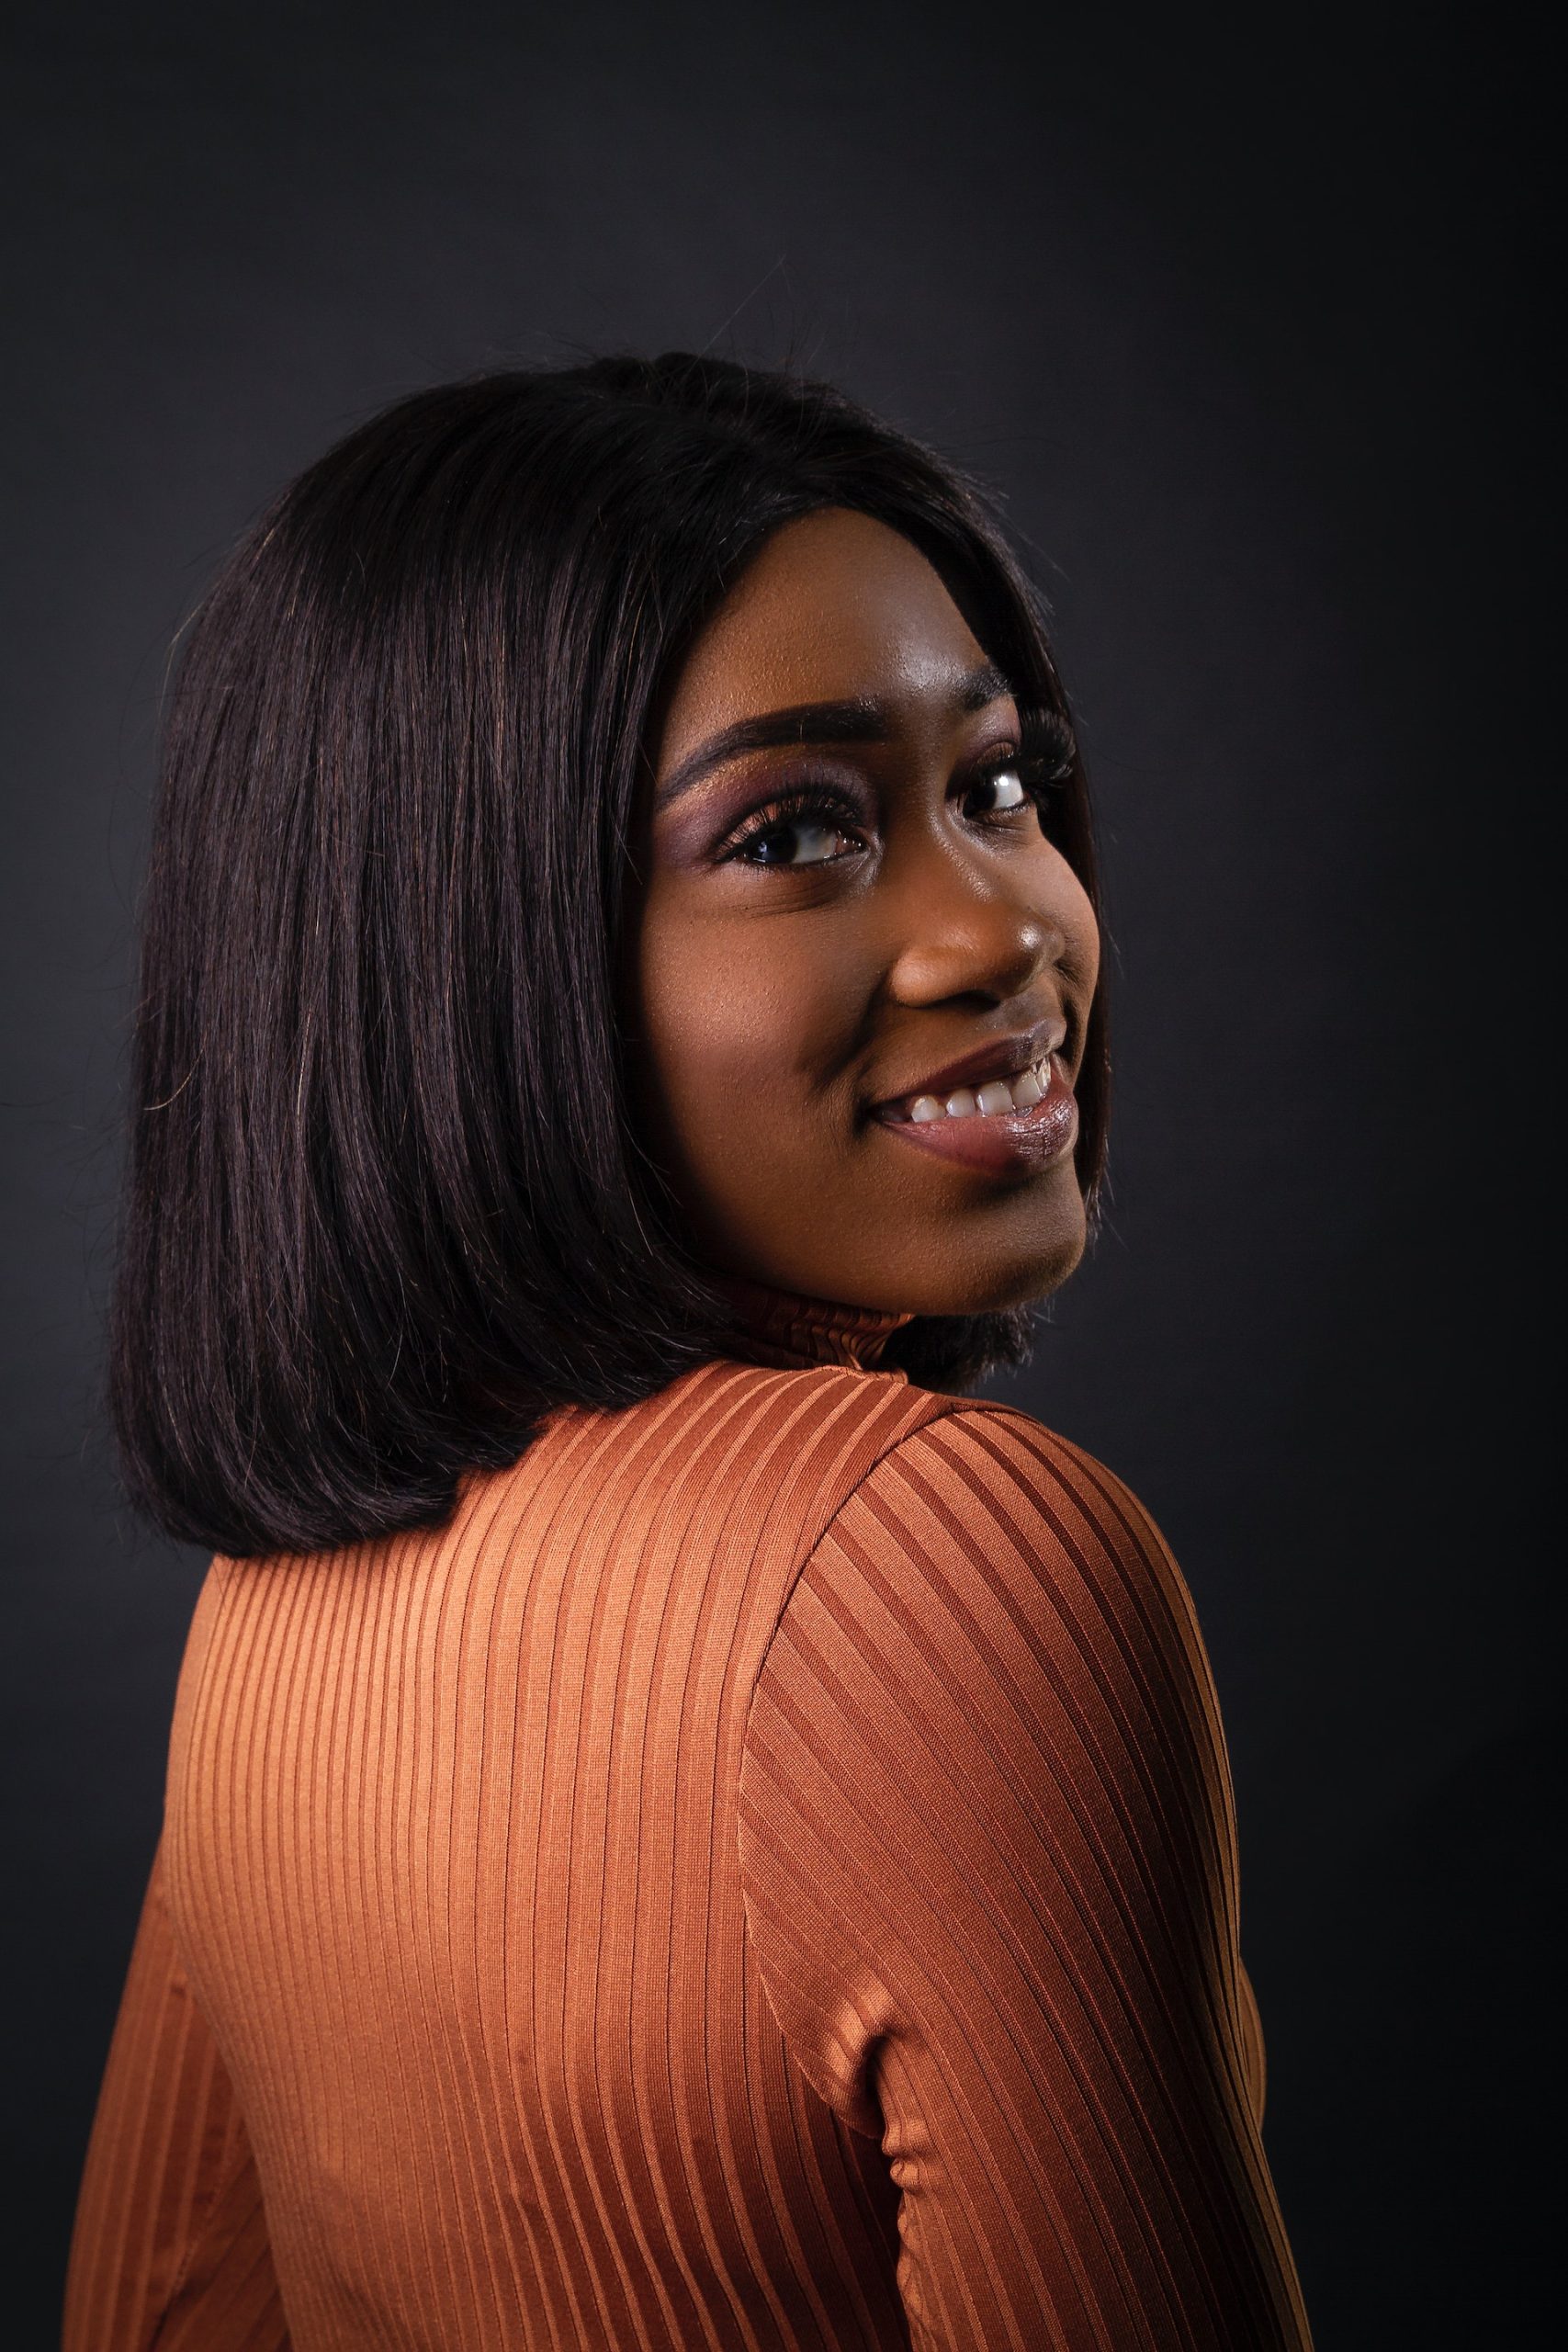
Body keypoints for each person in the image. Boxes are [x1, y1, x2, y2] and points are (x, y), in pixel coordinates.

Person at [62, 354, 1314, 2349]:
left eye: (995, 786)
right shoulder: (945, 1574)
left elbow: (157, 2312)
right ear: (471, 955)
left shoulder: (265, 1612)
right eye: (794, 830)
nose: (1005, 928)